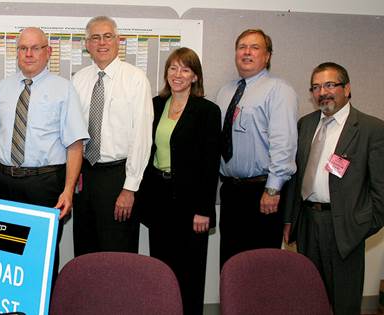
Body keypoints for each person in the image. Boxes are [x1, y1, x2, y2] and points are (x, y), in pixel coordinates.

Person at [0, 27, 88, 282]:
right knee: (7, 258)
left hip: (45, 186)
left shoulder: (63, 89)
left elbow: (75, 144)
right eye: (23, 48)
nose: (28, 54)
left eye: (35, 48)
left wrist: (67, 190)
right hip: (6, 183)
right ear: (17, 52)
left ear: (48, 52)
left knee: (41, 259)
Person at [283, 62, 384, 315]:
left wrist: (359, 226)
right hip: (307, 222)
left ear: (347, 88)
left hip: (344, 229)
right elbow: (296, 177)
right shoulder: (305, 124)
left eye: (329, 85)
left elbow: (381, 190)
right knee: (309, 297)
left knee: (344, 302)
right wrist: (290, 219)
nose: (322, 92)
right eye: (316, 87)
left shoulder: (371, 129)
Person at [138, 47, 220, 315]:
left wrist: (204, 209)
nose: (178, 74)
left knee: (190, 270)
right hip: (159, 198)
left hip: (191, 203)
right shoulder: (155, 104)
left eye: (185, 69)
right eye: (173, 68)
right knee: (161, 268)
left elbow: (210, 164)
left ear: (195, 76)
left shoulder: (207, 111)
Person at [71, 16, 153, 255]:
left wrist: (130, 188)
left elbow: (142, 137)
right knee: (86, 249)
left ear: (118, 41)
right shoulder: (78, 80)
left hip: (119, 177)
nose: (102, 42)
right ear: (87, 44)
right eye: (95, 37)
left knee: (118, 252)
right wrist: (73, 173)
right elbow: (73, 133)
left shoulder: (136, 79)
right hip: (85, 176)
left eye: (108, 36)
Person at [216, 28, 298, 267]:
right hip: (231, 192)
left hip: (262, 192)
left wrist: (273, 189)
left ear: (268, 55)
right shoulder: (226, 91)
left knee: (260, 268)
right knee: (231, 263)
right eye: (242, 47)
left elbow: (284, 143)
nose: (247, 52)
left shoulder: (279, 90)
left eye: (254, 47)